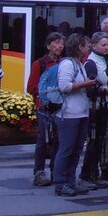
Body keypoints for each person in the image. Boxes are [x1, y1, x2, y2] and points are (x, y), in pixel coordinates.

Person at [52, 33, 99, 197]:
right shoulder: (68, 64)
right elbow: (64, 86)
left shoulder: (79, 63)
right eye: (86, 46)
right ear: (79, 47)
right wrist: (87, 83)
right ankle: (60, 183)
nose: (88, 48)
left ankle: (71, 181)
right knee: (66, 148)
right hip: (68, 113)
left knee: (77, 149)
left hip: (80, 112)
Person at [26, 32, 65, 187]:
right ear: (48, 46)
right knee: (43, 140)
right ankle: (39, 172)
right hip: (44, 108)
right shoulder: (40, 64)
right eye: (55, 43)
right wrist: (49, 90)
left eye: (61, 43)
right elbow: (31, 87)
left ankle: (55, 170)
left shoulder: (64, 63)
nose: (59, 46)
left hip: (60, 107)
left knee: (58, 140)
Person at [79, 32, 108, 189]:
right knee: (93, 142)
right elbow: (89, 89)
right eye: (103, 45)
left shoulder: (106, 59)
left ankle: (95, 172)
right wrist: (104, 89)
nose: (107, 47)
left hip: (104, 106)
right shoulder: (91, 63)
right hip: (95, 107)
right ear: (93, 45)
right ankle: (87, 174)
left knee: (100, 141)